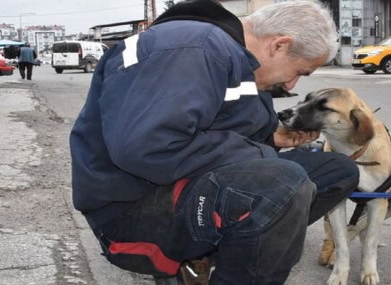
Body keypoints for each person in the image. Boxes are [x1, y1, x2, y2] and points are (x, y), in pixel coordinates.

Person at [69, 0, 359, 284]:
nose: (292, 85)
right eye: (299, 72)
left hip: (178, 186)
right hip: (132, 209)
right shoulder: (194, 48)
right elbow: (148, 148)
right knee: (282, 184)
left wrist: (271, 139)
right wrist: (261, 152)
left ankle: (218, 255)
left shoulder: (236, 59)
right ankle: (209, 256)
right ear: (279, 45)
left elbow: (218, 130)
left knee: (338, 169)